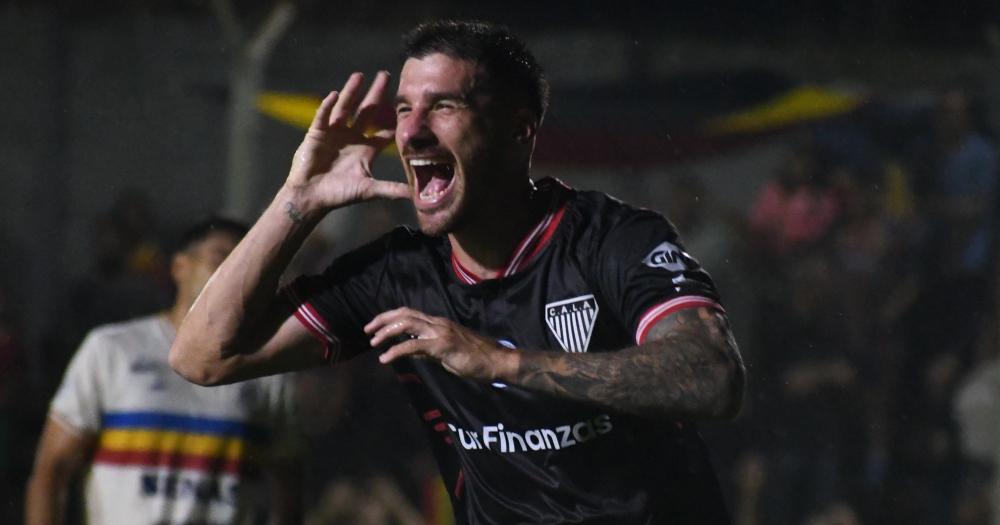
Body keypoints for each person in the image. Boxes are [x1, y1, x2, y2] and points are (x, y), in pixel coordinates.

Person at [170, 20, 745, 524]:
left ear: (519, 130)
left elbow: (712, 376)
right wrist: (299, 199)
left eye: (443, 106)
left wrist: (500, 361)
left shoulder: (610, 239)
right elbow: (203, 357)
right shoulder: (398, 272)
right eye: (403, 109)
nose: (413, 131)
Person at [26, 217, 302, 525]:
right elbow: (53, 471)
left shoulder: (266, 368)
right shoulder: (112, 350)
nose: (234, 273)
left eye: (245, 262)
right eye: (221, 258)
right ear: (179, 267)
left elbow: (287, 487)